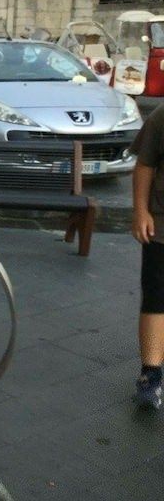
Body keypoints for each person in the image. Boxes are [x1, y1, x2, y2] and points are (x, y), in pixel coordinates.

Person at [130, 104, 164, 409]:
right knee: (156, 299)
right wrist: (141, 210)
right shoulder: (162, 116)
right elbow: (145, 165)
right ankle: (151, 372)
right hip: (162, 227)